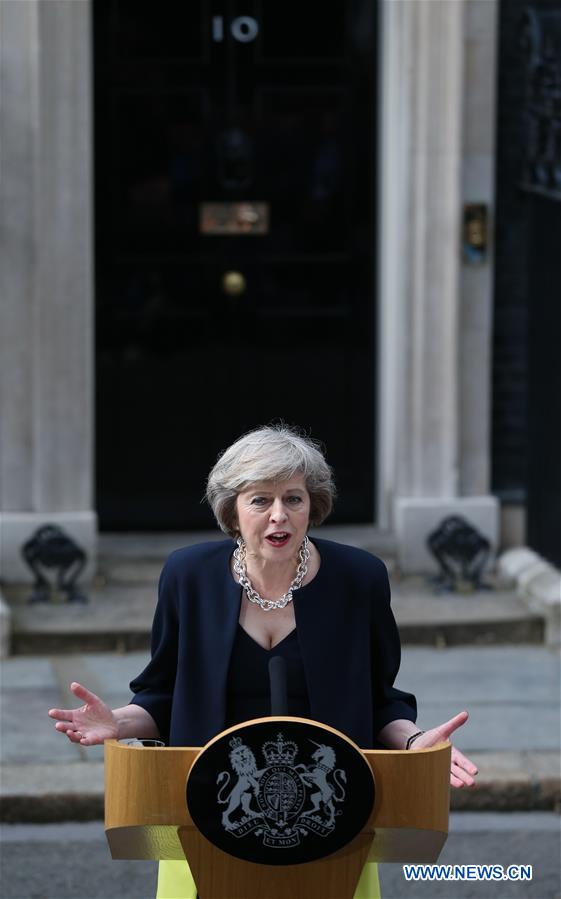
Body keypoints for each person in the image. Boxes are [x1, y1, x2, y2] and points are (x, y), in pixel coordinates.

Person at [49, 425, 478, 899]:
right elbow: (163, 694)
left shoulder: (360, 579)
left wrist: (417, 744)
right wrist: (119, 722)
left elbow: (380, 701)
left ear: (312, 505)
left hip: (330, 826)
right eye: (260, 500)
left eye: (294, 499)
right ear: (232, 510)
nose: (280, 516)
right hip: (205, 817)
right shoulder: (187, 577)